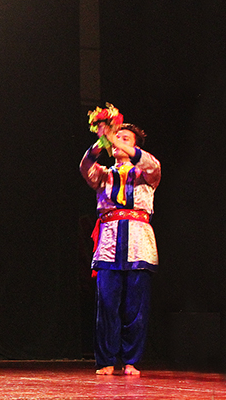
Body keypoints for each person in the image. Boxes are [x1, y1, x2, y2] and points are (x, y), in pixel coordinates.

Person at [79, 122, 161, 376]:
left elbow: (151, 165)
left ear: (134, 145)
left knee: (135, 307)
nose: (118, 141)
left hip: (138, 241)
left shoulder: (147, 171)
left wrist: (114, 138)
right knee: (107, 303)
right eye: (117, 137)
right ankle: (105, 359)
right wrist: (101, 143)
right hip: (110, 240)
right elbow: (84, 166)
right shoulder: (104, 174)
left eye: (125, 138)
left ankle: (130, 360)